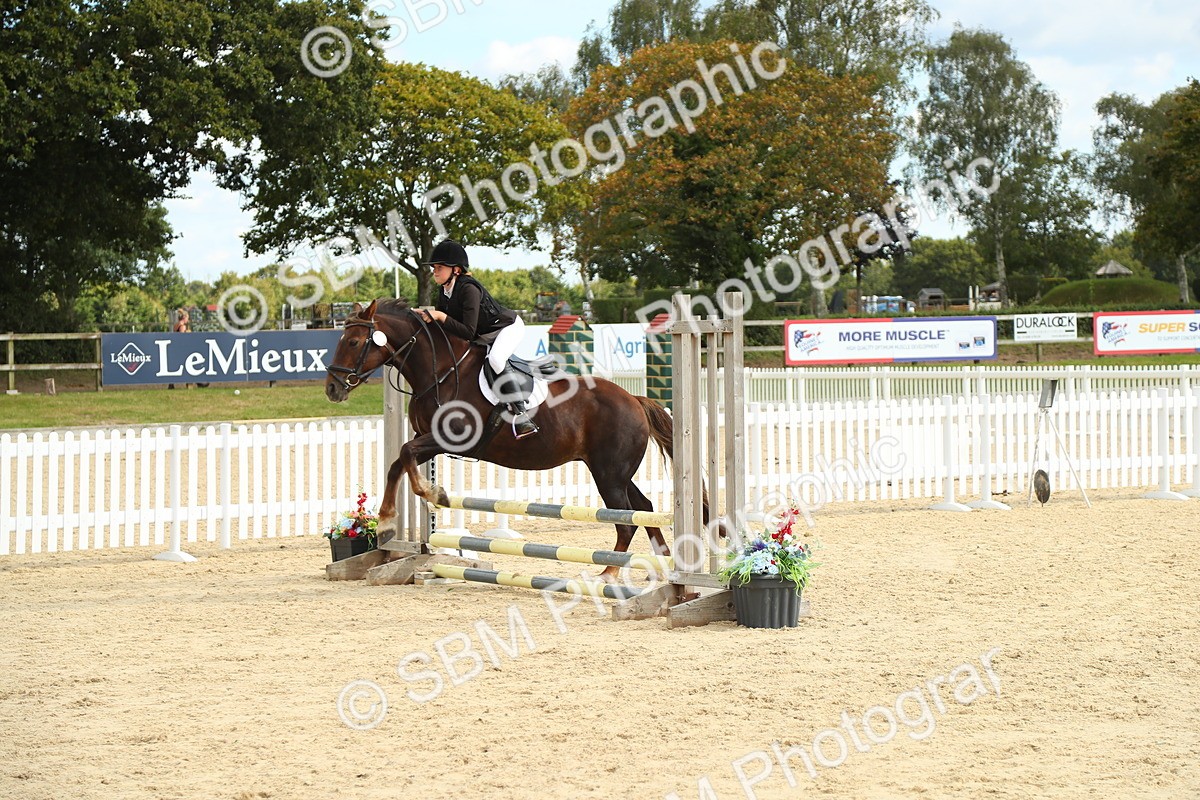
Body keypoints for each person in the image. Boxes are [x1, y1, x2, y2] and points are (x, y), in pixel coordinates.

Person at [418, 239, 538, 439]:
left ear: (456, 270)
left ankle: (522, 413)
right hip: (483, 335)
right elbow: (448, 328)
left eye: (439, 267)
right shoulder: (445, 291)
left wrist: (440, 316)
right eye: (434, 268)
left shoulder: (468, 289)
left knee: (496, 360)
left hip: (506, 328)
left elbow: (468, 331)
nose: (434, 271)